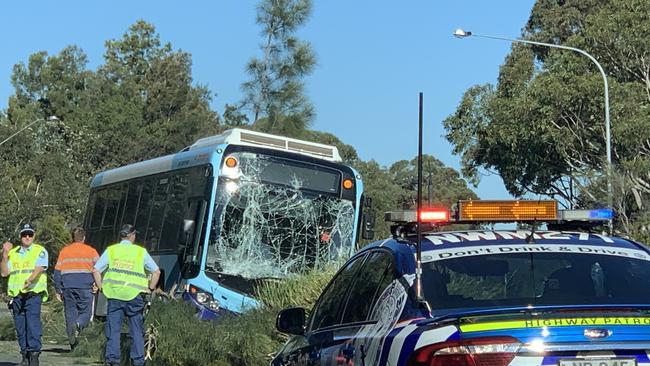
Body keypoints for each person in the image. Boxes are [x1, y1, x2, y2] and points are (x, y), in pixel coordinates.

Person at [93, 224, 160, 366]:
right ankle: (138, 361)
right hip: (135, 297)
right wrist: (150, 288)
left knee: (113, 330)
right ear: (132, 236)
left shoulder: (111, 250)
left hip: (115, 296)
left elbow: (96, 270)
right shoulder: (140, 252)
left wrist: (101, 287)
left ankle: (112, 361)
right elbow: (156, 272)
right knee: (136, 331)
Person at [0, 223, 48, 366]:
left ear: (34, 236)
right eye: (24, 234)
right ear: (20, 236)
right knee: (20, 327)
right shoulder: (13, 253)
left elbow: (40, 267)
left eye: (30, 234)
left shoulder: (40, 250)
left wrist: (30, 279)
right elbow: (4, 272)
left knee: (32, 325)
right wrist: (4, 254)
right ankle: (25, 355)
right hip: (17, 296)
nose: (27, 237)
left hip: (33, 294)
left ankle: (34, 355)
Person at [53, 227, 99, 349]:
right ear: (84, 237)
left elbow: (57, 272)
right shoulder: (91, 251)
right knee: (86, 312)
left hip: (68, 287)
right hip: (85, 287)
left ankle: (73, 344)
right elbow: (99, 269)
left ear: (73, 238)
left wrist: (58, 289)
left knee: (70, 314)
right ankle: (79, 325)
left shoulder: (64, 251)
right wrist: (97, 283)